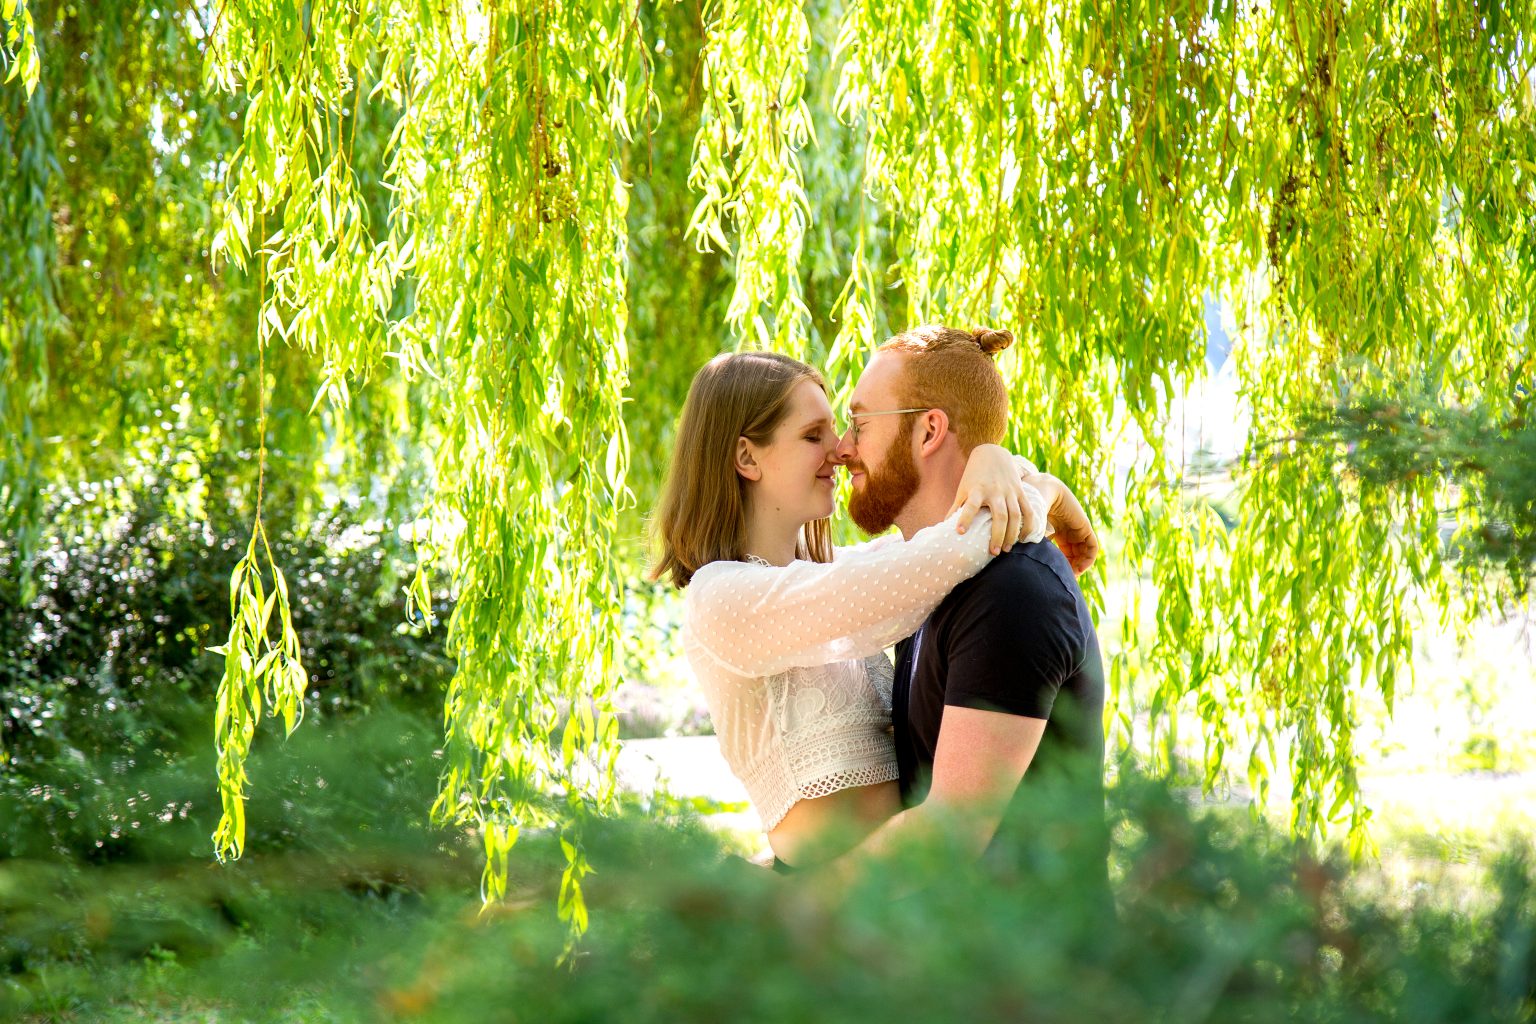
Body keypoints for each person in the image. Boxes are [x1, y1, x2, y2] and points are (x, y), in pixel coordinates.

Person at [650, 348, 1098, 871]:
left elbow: (922, 553)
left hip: (879, 900)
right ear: (747, 458)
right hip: (831, 901)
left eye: (846, 428)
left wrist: (1003, 467)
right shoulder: (722, 597)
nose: (840, 450)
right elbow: (945, 551)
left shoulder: (840, 579)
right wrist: (1028, 487)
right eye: (813, 435)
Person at [830, 325, 1106, 883]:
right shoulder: (930, 573)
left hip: (1031, 967)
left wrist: (776, 903)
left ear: (930, 429)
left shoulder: (1013, 590)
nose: (842, 448)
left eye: (859, 423)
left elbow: (948, 834)